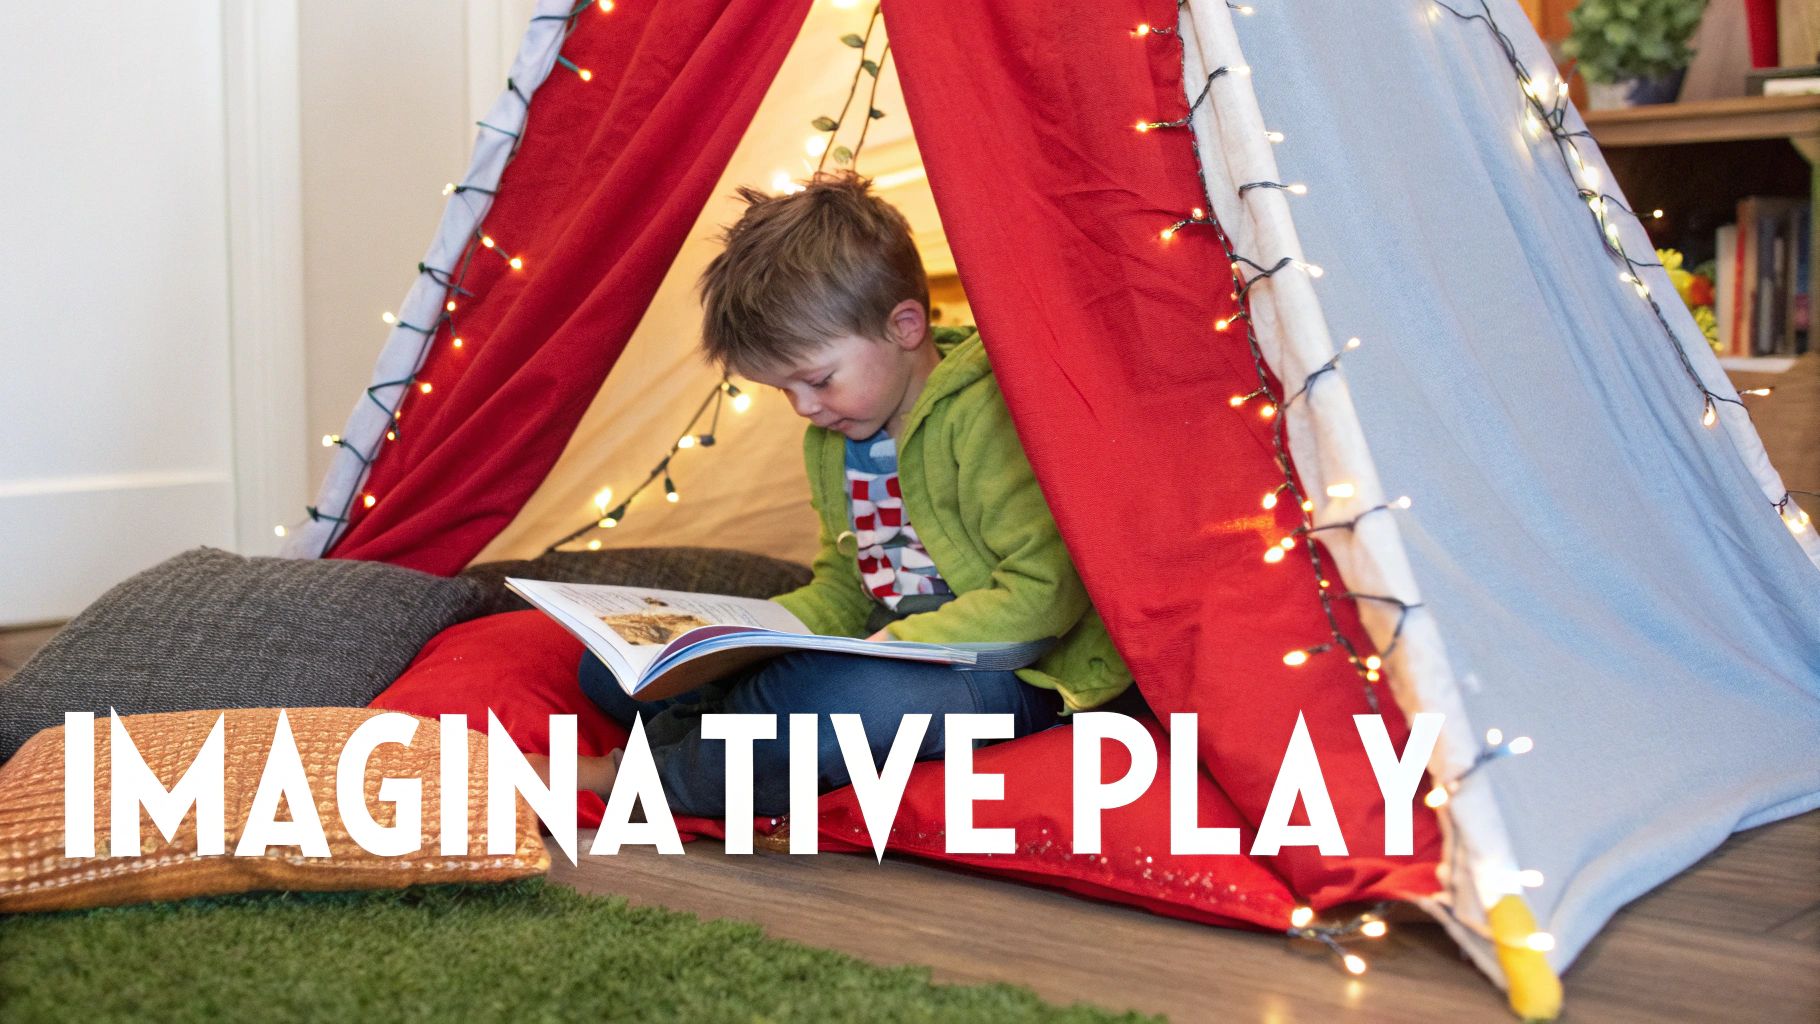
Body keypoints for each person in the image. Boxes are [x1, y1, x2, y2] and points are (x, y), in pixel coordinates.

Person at [570, 172, 1132, 816]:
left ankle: (637, 779)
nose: (804, 408)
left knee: (841, 702)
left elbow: (1045, 594)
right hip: (874, 648)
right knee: (613, 667)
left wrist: (892, 649)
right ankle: (719, 728)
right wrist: (742, 637)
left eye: (817, 380)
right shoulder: (837, 440)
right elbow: (845, 589)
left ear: (905, 325)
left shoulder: (992, 413)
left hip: (1013, 673)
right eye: (784, 389)